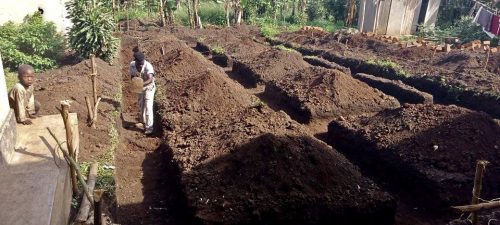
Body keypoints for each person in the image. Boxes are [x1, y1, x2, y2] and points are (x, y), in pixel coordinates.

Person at [129, 51, 156, 135]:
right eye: (139, 64)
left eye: (142, 63)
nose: (140, 65)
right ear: (135, 61)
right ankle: (142, 122)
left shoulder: (148, 66)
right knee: (141, 105)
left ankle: (149, 128)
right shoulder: (132, 65)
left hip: (149, 88)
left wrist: (140, 84)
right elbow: (132, 76)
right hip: (140, 87)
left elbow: (150, 79)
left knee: (148, 107)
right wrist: (135, 83)